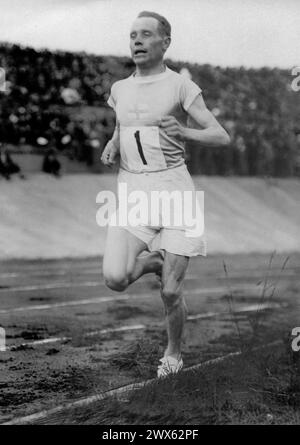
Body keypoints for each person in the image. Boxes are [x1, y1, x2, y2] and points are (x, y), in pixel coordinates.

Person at [101, 11, 230, 377]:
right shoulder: (120, 88)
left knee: (171, 292)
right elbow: (121, 124)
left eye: (145, 34)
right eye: (132, 35)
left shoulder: (181, 86)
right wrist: (113, 145)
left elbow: (221, 135)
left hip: (172, 189)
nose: (137, 41)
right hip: (133, 190)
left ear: (165, 42)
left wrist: (185, 132)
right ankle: (156, 261)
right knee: (114, 278)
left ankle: (173, 354)